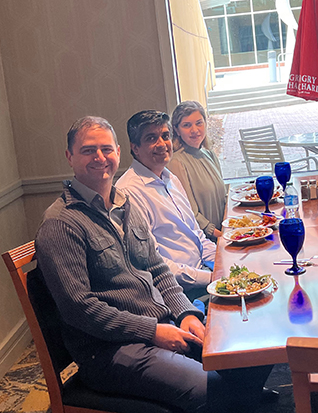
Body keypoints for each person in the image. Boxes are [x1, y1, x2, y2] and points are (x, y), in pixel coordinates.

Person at [34, 116, 272, 412]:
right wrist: (152, 331)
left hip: (161, 324)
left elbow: (158, 269)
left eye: (106, 149)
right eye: (88, 150)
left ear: (119, 152)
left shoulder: (124, 204)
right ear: (70, 157)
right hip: (109, 351)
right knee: (213, 391)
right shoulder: (61, 224)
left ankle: (243, 400)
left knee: (257, 348)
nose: (100, 157)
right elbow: (79, 308)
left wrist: (185, 313)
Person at [116, 110, 215, 301]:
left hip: (203, 273)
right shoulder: (129, 193)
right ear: (135, 148)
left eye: (165, 136)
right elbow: (153, 262)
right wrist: (211, 278)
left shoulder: (171, 178)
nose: (162, 144)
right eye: (151, 138)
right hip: (180, 293)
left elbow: (197, 234)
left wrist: (220, 263)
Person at [167, 101, 227, 241]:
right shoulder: (176, 162)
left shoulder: (209, 155)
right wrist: (221, 236)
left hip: (223, 234)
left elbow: (222, 198)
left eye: (199, 123)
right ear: (177, 130)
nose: (195, 130)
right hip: (206, 242)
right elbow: (190, 213)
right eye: (187, 125)